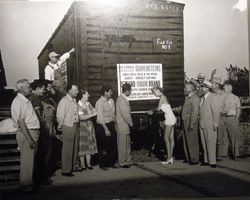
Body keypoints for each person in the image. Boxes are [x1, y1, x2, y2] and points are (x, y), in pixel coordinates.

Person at [11, 79, 40, 192]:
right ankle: (25, 186)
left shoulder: (24, 100)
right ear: (21, 89)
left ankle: (29, 183)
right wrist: (29, 139)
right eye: (28, 87)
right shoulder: (19, 101)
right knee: (27, 161)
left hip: (31, 132)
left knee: (30, 160)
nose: (30, 89)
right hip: (27, 133)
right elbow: (21, 122)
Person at [148, 86, 176, 165]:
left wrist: (151, 111)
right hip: (172, 118)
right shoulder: (164, 97)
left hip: (169, 119)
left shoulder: (162, 97)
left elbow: (158, 109)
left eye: (154, 92)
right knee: (171, 138)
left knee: (166, 138)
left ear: (158, 90)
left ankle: (169, 158)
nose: (154, 94)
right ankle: (170, 157)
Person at [56, 84, 80, 176]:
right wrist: (60, 125)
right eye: (75, 90)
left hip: (75, 125)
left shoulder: (73, 100)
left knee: (74, 147)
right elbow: (60, 115)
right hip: (68, 125)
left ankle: (72, 167)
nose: (77, 92)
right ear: (69, 90)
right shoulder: (64, 101)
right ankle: (66, 170)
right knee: (67, 148)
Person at [95, 85, 117, 170]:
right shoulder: (99, 102)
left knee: (112, 145)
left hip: (111, 124)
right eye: (110, 91)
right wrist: (106, 129)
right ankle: (103, 165)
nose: (112, 93)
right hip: (103, 126)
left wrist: (114, 124)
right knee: (103, 146)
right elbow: (100, 118)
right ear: (105, 92)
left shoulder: (111, 101)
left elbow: (113, 114)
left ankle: (111, 163)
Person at [199, 80, 219, 168]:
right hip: (202, 123)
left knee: (211, 142)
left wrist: (215, 123)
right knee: (204, 142)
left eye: (204, 87)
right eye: (202, 86)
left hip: (210, 123)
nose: (202, 88)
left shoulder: (212, 97)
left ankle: (213, 161)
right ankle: (206, 160)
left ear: (208, 88)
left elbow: (215, 112)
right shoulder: (202, 98)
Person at [78, 89, 98, 170]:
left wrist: (94, 112)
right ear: (82, 95)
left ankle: (88, 163)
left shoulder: (88, 103)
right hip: (82, 127)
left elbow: (94, 110)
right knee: (83, 145)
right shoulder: (78, 105)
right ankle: (82, 164)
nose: (88, 95)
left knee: (89, 143)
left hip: (89, 125)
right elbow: (81, 117)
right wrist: (92, 114)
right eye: (87, 94)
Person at [182, 83, 200, 165]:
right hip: (185, 120)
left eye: (186, 88)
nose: (184, 89)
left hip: (190, 121)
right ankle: (188, 157)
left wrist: (192, 123)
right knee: (186, 140)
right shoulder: (188, 98)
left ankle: (194, 159)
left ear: (191, 89)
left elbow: (195, 112)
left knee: (192, 140)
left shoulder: (195, 98)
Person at [116, 83, 133, 168]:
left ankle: (127, 160)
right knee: (123, 144)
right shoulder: (122, 100)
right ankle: (122, 162)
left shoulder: (123, 98)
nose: (131, 92)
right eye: (130, 90)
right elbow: (125, 114)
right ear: (127, 91)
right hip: (122, 125)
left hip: (124, 125)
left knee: (127, 143)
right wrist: (130, 122)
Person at [222, 83, 241, 160]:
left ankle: (236, 154)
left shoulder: (235, 98)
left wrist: (236, 119)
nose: (223, 90)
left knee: (234, 138)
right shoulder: (222, 98)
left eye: (224, 88)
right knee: (224, 137)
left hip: (232, 118)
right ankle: (224, 154)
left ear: (230, 89)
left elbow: (238, 109)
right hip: (224, 118)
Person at [211, 77, 227, 161]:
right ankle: (212, 154)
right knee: (212, 136)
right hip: (211, 117)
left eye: (214, 83)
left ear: (217, 85)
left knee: (219, 137)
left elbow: (226, 106)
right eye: (212, 83)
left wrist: (223, 111)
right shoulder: (211, 94)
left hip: (220, 117)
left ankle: (219, 155)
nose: (212, 85)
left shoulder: (223, 94)